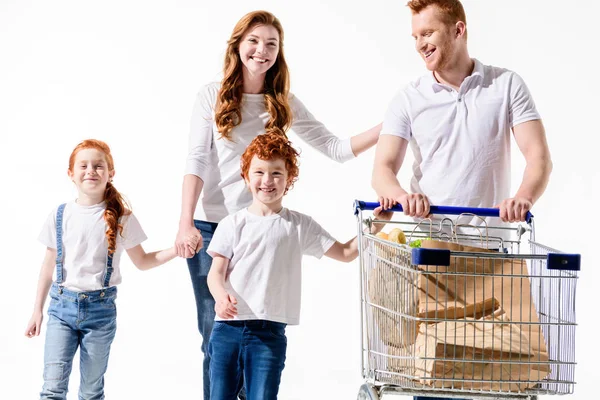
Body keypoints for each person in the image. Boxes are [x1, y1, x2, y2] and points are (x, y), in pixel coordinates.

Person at [175, 10, 381, 399]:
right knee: (215, 335)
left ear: (279, 53)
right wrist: (185, 222)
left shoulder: (281, 102)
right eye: (254, 41)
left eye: (271, 44)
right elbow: (196, 160)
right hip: (212, 226)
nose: (261, 50)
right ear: (238, 45)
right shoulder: (211, 95)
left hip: (260, 225)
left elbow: (335, 148)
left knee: (257, 329)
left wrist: (391, 125)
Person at [372, 0, 552, 398]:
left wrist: (522, 196)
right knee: (435, 376)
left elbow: (538, 157)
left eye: (428, 33)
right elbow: (381, 169)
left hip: (494, 253)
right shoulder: (408, 98)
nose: (420, 44)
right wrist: (403, 196)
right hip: (434, 252)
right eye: (415, 36)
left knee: (500, 376)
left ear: (458, 29)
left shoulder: (505, 85)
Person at [206, 131, 390, 400]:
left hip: (269, 334)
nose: (267, 181)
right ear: (245, 177)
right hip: (227, 329)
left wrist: (377, 223)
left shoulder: (299, 225)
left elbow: (346, 252)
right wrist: (221, 297)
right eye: (259, 172)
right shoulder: (231, 225)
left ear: (289, 179)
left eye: (276, 173)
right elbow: (215, 274)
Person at [24, 139, 197, 399]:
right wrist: (36, 310)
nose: (91, 170)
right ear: (71, 174)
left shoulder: (121, 217)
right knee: (52, 387)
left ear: (111, 173)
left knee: (92, 390)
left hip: (100, 312)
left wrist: (176, 250)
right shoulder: (59, 215)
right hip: (61, 309)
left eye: (98, 165)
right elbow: (48, 266)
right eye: (83, 166)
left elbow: (143, 261)